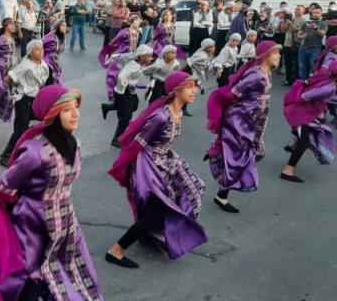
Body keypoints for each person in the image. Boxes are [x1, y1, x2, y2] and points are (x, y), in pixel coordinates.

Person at [0, 85, 104, 301]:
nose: (76, 114)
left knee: (68, 277)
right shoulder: (35, 152)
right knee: (31, 280)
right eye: (67, 110)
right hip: (31, 228)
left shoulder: (74, 144)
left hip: (65, 223)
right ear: (52, 114)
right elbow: (2, 187)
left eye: (76, 108)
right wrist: (8, 221)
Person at [106, 71, 206, 268]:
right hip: (149, 167)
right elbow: (136, 145)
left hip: (167, 162)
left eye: (195, 86)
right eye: (189, 87)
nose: (195, 90)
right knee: (156, 209)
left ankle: (151, 234)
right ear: (176, 91)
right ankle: (116, 250)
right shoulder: (161, 117)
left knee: (194, 190)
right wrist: (126, 171)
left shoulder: (178, 113)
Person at [205, 41, 281, 214]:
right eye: (276, 53)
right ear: (265, 55)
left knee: (250, 155)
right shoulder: (256, 74)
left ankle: (222, 190)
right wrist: (238, 114)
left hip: (254, 122)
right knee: (241, 157)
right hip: (240, 122)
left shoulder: (266, 72)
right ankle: (220, 179)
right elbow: (232, 94)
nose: (279, 56)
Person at [0, 39, 50, 167]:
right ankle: (6, 156)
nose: (41, 51)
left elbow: (46, 82)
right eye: (37, 49)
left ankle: (23, 152)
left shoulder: (44, 65)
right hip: (23, 99)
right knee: (20, 129)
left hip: (35, 100)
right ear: (30, 52)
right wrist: (8, 92)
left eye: (42, 49)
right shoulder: (25, 65)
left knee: (43, 123)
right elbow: (9, 78)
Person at [280, 61, 337, 183]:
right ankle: (288, 170)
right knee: (305, 141)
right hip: (304, 114)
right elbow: (305, 96)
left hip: (309, 114)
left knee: (305, 140)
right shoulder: (330, 87)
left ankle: (294, 145)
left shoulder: (325, 76)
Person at [105, 45, 155, 148]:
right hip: (122, 91)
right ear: (141, 56)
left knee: (134, 105)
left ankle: (107, 107)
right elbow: (121, 77)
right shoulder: (132, 66)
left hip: (129, 90)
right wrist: (127, 86)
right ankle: (116, 139)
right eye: (148, 56)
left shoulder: (140, 64)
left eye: (151, 56)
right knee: (126, 116)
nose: (151, 58)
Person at [100, 14, 142, 104]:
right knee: (114, 75)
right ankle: (111, 95)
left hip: (131, 57)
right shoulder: (125, 32)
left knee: (129, 75)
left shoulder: (139, 32)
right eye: (137, 20)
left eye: (139, 21)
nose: (138, 22)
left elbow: (137, 46)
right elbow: (114, 41)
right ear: (132, 21)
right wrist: (110, 52)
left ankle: (125, 94)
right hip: (121, 57)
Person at [298, 4, 327, 80]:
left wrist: (316, 28)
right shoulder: (306, 23)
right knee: (302, 68)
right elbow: (299, 34)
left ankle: (311, 87)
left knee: (313, 69)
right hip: (303, 48)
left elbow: (323, 34)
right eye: (314, 13)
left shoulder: (323, 23)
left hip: (315, 49)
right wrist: (302, 36)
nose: (315, 14)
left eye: (317, 13)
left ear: (321, 13)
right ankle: (302, 85)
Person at [43, 20, 67, 86]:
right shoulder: (51, 37)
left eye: (65, 26)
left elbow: (59, 51)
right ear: (58, 27)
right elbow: (41, 44)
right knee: (50, 81)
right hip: (47, 61)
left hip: (55, 62)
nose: (65, 27)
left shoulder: (62, 37)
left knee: (57, 80)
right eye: (62, 26)